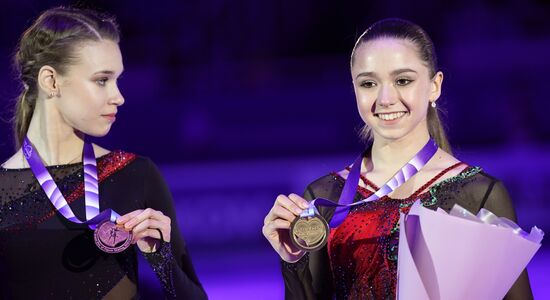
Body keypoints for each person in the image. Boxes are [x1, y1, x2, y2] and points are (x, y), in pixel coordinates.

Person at [262, 18, 533, 299]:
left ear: (434, 86)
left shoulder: (478, 195)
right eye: (368, 83)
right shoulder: (325, 197)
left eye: (403, 80)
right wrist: (293, 261)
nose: (386, 98)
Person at [0, 7, 206, 299]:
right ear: (51, 81)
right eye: (101, 80)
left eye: (117, 79)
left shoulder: (136, 175)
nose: (118, 96)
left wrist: (160, 258)